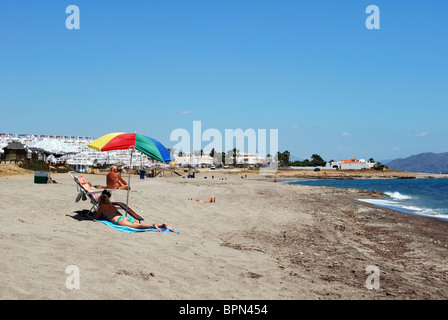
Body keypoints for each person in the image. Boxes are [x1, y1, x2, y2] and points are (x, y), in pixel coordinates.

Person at [93, 192, 174, 231]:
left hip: (118, 220)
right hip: (124, 217)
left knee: (137, 227)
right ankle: (162, 226)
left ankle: (152, 226)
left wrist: (95, 212)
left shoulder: (102, 207)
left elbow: (95, 218)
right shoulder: (112, 206)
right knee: (140, 225)